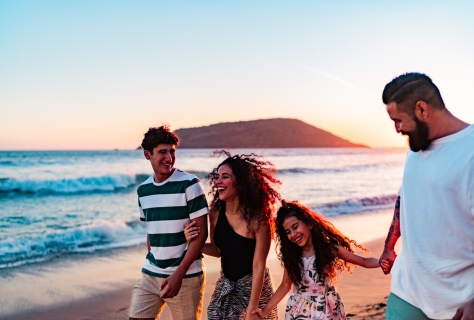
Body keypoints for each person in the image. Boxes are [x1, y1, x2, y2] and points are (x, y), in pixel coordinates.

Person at [379, 72, 474, 320]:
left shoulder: (470, 152)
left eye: (399, 120)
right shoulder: (417, 146)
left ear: (421, 109)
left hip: (457, 303)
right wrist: (390, 245)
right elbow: (406, 197)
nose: (397, 129)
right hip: (407, 292)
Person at [251, 200, 389, 320]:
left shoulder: (328, 249)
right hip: (299, 309)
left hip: (326, 307)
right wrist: (264, 311)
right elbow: (285, 286)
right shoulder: (292, 257)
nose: (293, 234)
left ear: (309, 224)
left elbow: (363, 261)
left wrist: (383, 261)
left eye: (295, 227)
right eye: (288, 232)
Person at [184, 150, 282, 319]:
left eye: (225, 176)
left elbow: (259, 266)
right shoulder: (215, 213)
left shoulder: (258, 219)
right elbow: (218, 250)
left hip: (254, 289)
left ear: (241, 183)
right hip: (226, 285)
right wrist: (193, 241)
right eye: (217, 176)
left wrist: (252, 310)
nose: (217, 181)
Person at [129, 126, 209, 320]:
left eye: (172, 151)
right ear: (148, 155)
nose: (169, 157)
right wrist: (153, 256)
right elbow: (152, 230)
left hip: (186, 275)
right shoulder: (143, 190)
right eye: (162, 152)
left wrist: (178, 274)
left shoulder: (190, 184)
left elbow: (201, 234)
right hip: (151, 272)